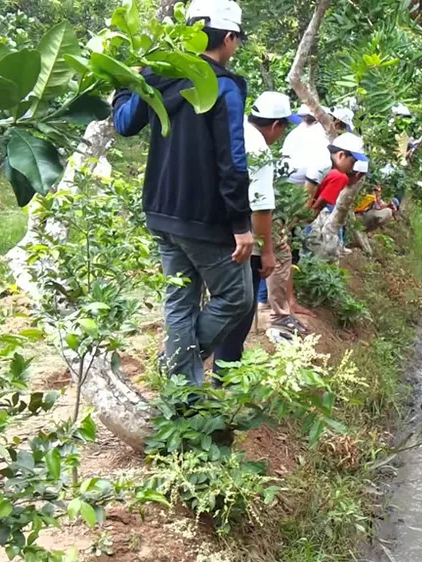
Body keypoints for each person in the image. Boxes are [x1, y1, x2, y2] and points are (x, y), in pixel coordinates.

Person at [112, 0, 252, 385]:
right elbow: (233, 162)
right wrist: (241, 223)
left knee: (179, 300)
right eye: (236, 40)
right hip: (205, 218)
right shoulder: (223, 87)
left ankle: (182, 393)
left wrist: (126, 84)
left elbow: (125, 124)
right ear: (228, 38)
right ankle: (178, 366)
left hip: (160, 211)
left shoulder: (159, 77)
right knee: (237, 298)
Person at [214, 92, 300, 367]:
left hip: (209, 230)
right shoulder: (260, 150)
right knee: (241, 306)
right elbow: (261, 209)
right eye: (284, 127)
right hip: (242, 238)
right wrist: (266, 253)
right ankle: (226, 370)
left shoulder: (231, 129)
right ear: (276, 126)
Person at [305, 132, 369, 255]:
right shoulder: (339, 176)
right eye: (352, 162)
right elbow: (317, 206)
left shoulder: (324, 162)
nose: (351, 167)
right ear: (341, 155)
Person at [352, 162, 397, 233]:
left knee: (388, 211)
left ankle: (366, 231)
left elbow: (378, 204)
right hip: (359, 214)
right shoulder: (369, 187)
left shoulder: (378, 190)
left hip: (364, 214)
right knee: (387, 212)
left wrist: (387, 205)